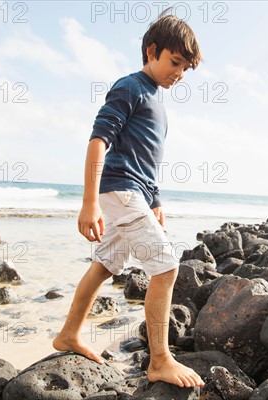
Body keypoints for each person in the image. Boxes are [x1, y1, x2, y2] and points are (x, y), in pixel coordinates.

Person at [53, 14, 205, 388]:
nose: (179, 73)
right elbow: (98, 140)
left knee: (104, 265)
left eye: (185, 68)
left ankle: (68, 334)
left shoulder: (158, 102)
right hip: (118, 189)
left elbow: (147, 158)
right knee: (166, 268)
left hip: (135, 191)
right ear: (152, 51)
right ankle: (159, 360)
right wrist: (89, 201)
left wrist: (155, 200)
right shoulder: (131, 87)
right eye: (174, 62)